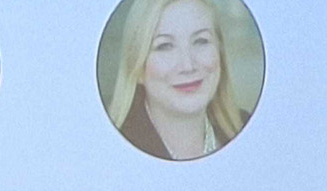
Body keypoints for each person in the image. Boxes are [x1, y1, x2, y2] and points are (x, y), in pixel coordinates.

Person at [106, 0, 251, 160]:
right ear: (138, 66)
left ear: (220, 52)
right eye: (165, 46)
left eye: (200, 41)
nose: (188, 66)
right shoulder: (110, 154)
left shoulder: (252, 131)